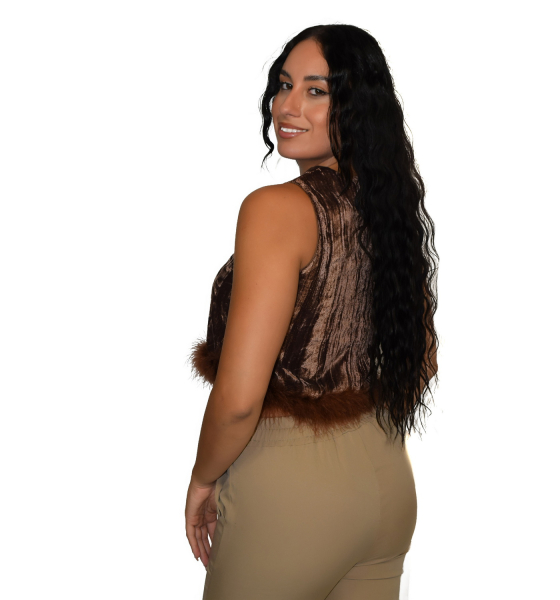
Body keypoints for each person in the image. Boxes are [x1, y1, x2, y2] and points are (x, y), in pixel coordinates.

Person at [184, 24, 439, 600]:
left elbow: (240, 398)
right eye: (284, 85)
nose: (288, 106)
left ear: (357, 106)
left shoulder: (275, 209)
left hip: (292, 492)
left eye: (317, 90)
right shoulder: (390, 209)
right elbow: (423, 360)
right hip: (386, 480)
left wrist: (203, 479)